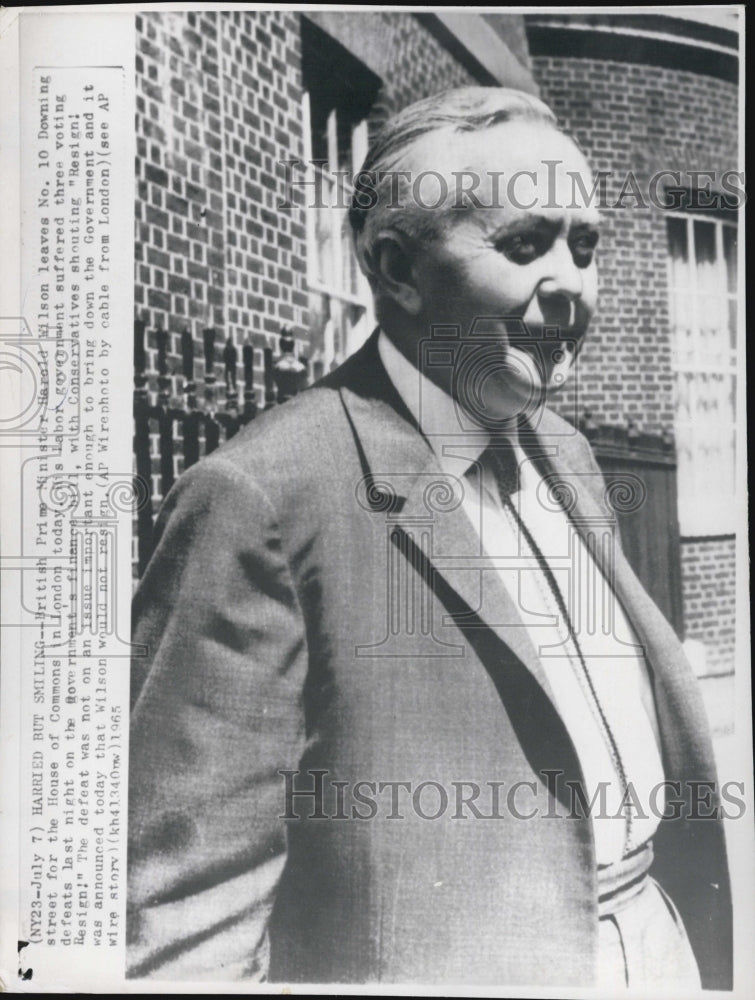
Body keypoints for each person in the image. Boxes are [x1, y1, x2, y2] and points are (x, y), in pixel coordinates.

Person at [126, 87, 732, 989]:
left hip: (658, 945)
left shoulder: (563, 451)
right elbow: (186, 921)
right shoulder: (260, 497)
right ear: (396, 268)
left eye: (584, 245)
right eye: (524, 245)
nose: (569, 281)